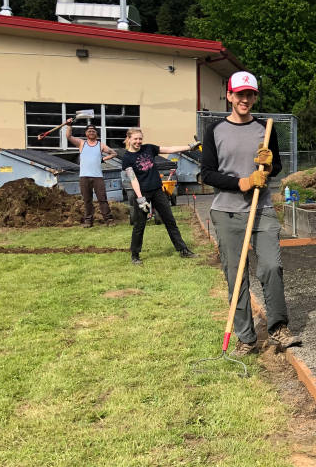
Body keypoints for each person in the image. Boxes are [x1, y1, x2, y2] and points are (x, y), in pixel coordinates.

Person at [200, 70, 300, 356]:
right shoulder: (215, 131)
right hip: (227, 212)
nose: (245, 99)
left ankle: (278, 328)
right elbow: (206, 173)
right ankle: (246, 338)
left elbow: (276, 167)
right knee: (236, 274)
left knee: (271, 266)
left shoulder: (265, 129)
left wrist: (267, 169)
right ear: (229, 95)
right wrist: (242, 182)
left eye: (250, 94)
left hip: (262, 208)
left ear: (255, 97)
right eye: (239, 94)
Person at [120, 128, 198, 265]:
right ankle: (135, 254)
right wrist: (140, 198)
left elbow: (170, 149)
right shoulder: (127, 158)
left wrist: (190, 146)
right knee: (139, 224)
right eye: (135, 139)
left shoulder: (149, 148)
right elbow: (133, 179)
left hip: (157, 191)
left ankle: (183, 249)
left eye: (140, 139)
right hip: (142, 193)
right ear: (129, 139)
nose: (138, 141)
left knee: (170, 221)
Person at [64, 118, 118, 227]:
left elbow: (114, 153)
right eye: (89, 131)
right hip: (84, 176)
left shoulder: (100, 145)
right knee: (87, 200)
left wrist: (103, 159)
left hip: (97, 176)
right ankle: (88, 221)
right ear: (86, 133)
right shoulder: (81, 143)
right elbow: (68, 136)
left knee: (102, 199)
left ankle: (109, 220)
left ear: (96, 133)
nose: (91, 132)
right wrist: (70, 125)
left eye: (93, 131)